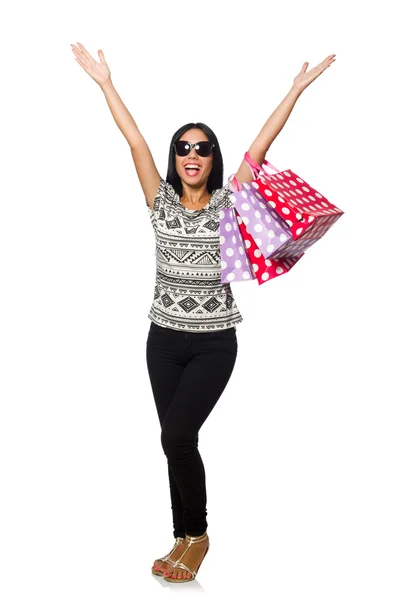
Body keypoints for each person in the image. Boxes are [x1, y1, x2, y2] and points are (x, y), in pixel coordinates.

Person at [71, 41, 335, 583]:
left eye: (203, 149)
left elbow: (262, 144)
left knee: (177, 436)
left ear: (213, 159)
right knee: (174, 437)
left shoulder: (228, 202)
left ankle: (199, 534)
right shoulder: (159, 201)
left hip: (214, 343)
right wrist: (105, 83)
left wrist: (294, 91)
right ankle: (181, 538)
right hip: (162, 341)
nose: (192, 155)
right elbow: (135, 140)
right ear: (175, 159)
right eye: (184, 148)